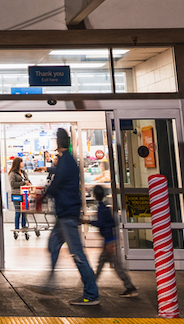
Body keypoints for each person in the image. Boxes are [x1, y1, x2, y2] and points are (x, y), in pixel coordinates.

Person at [43, 127, 101, 306]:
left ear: (58, 142)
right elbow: (59, 175)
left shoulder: (66, 160)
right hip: (64, 215)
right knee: (53, 245)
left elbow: (58, 181)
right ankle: (50, 284)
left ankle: (91, 294)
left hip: (67, 214)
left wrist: (43, 196)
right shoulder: (67, 160)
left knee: (78, 254)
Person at [92, 185, 138, 298]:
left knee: (115, 266)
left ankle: (130, 287)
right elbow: (113, 223)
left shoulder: (102, 209)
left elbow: (103, 224)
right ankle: (91, 284)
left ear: (95, 195)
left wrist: (88, 221)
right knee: (101, 263)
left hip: (109, 242)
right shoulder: (105, 207)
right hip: (109, 241)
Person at [8, 157, 28, 237]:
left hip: (25, 194)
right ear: (18, 164)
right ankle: (17, 228)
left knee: (24, 211)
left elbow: (28, 180)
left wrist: (28, 183)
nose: (23, 164)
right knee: (18, 211)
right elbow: (12, 184)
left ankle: (24, 227)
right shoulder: (12, 173)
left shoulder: (23, 173)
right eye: (21, 162)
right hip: (16, 194)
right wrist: (23, 183)